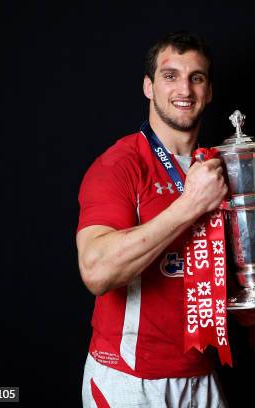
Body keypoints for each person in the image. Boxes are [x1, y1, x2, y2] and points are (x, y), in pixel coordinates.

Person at [76, 31, 228, 407]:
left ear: (209, 91)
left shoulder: (219, 167)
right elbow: (96, 270)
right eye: (170, 75)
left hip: (201, 374)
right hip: (130, 379)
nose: (185, 89)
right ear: (149, 86)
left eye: (197, 77)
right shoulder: (119, 165)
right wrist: (189, 204)